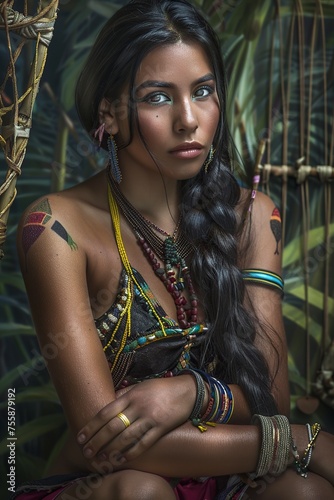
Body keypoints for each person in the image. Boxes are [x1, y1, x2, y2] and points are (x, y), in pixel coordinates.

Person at [14, 0, 334, 499]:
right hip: (110, 482)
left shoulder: (251, 217)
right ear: (109, 114)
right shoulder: (56, 229)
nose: (189, 120)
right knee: (144, 492)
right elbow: (107, 443)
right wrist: (293, 443)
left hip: (224, 473)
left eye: (203, 92)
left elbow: (271, 398)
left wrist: (190, 393)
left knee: (304, 492)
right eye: (159, 98)